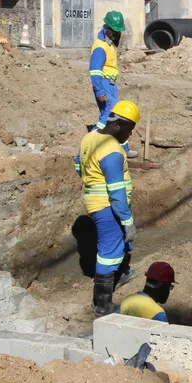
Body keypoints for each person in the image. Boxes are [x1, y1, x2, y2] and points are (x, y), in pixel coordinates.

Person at [76, 100, 139, 316]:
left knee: (117, 244)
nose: (129, 136)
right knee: (108, 253)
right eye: (129, 130)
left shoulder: (89, 138)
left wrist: (91, 178)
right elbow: (116, 193)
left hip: (94, 201)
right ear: (118, 126)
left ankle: (121, 274)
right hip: (107, 206)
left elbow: (78, 164)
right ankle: (102, 305)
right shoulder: (112, 150)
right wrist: (127, 219)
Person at [89, 11, 138, 158]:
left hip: (110, 85)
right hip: (104, 85)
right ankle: (90, 145)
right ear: (107, 28)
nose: (117, 34)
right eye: (115, 31)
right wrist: (99, 91)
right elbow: (95, 71)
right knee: (109, 117)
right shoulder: (100, 47)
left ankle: (122, 147)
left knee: (113, 116)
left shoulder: (109, 43)